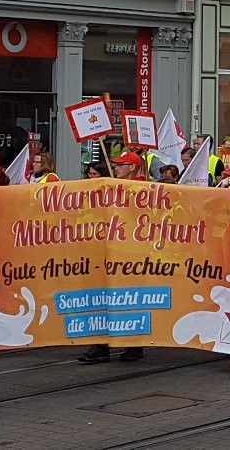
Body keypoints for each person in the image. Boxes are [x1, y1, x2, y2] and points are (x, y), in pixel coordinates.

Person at [80, 153, 148, 363]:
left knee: (130, 297)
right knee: (102, 295)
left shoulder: (143, 188)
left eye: (121, 165)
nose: (116, 167)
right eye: (116, 164)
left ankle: (134, 343)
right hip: (109, 248)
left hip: (132, 251)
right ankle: (101, 344)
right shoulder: (113, 184)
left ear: (133, 167)